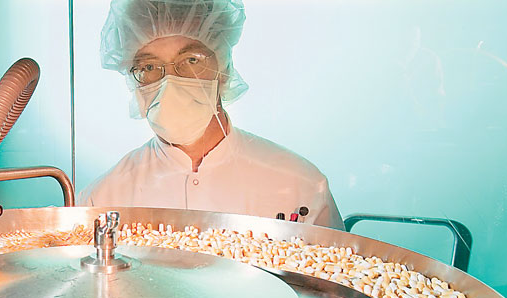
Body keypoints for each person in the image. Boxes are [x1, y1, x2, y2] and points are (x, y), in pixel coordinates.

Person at [79, 0, 344, 229]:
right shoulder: (102, 201)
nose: (169, 83)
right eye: (149, 67)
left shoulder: (300, 185)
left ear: (223, 69)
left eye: (191, 60)